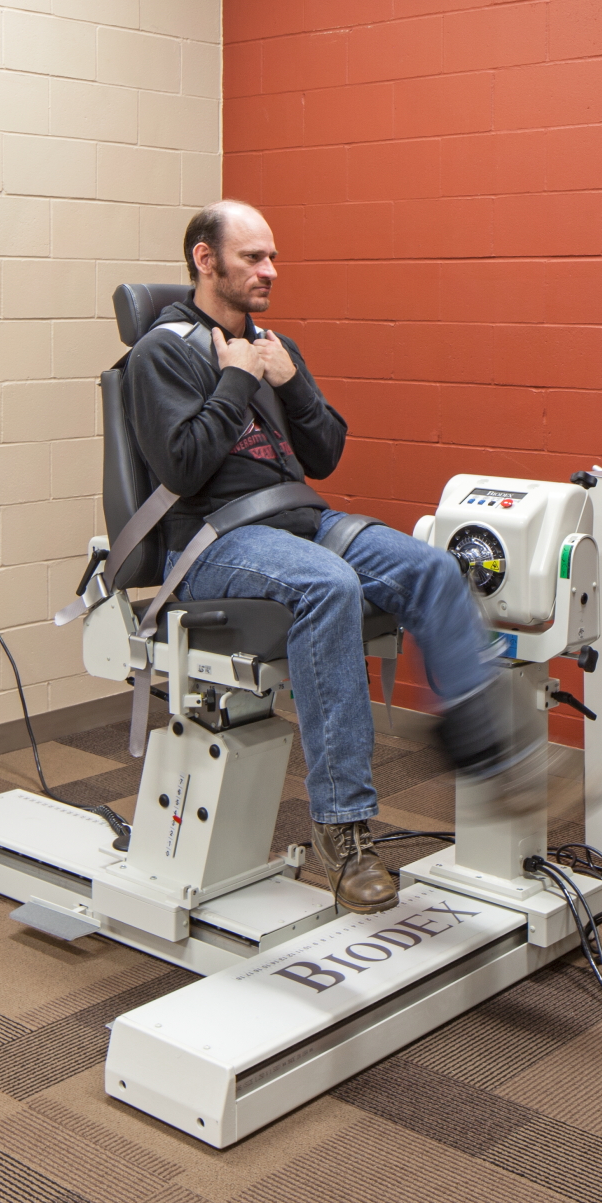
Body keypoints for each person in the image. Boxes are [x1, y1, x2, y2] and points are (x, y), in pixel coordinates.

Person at [125, 201, 508, 914]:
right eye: (252, 259)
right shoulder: (161, 353)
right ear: (205, 261)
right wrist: (236, 379)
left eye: (272, 257)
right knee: (328, 584)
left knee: (428, 566)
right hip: (213, 539)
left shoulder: (273, 344)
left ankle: (481, 746)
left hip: (298, 519)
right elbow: (181, 465)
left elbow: (325, 454)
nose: (269, 271)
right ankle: (341, 831)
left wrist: (288, 379)